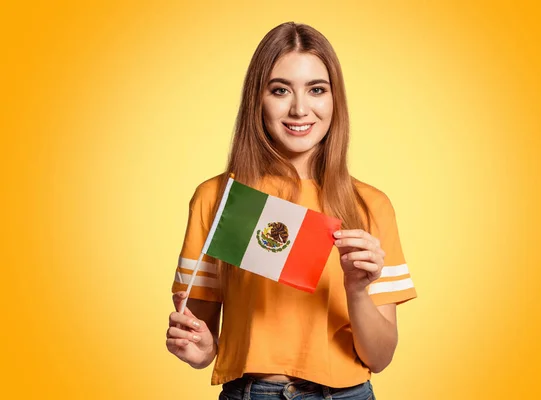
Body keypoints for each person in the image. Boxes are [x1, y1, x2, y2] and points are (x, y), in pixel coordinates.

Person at [166, 21, 417, 400]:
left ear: (335, 100)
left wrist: (357, 290)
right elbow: (202, 341)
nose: (300, 109)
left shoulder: (369, 205)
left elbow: (380, 357)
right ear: (258, 99)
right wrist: (199, 350)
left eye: (317, 89)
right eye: (280, 90)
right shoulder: (219, 198)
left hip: (347, 394)